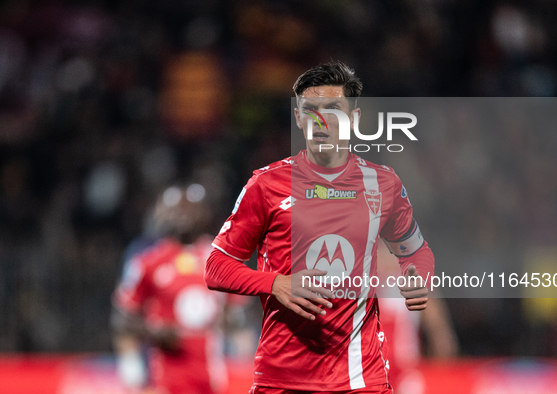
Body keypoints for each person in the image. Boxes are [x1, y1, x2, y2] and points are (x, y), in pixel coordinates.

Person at [205, 62, 435, 394]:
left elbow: (415, 249)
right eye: (309, 110)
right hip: (282, 378)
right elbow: (216, 267)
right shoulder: (266, 184)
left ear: (354, 120)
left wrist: (418, 275)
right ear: (298, 118)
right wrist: (276, 284)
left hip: (360, 377)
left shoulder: (382, 184)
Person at [111, 184, 229, 394]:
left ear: (205, 212)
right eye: (177, 208)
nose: (184, 215)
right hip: (166, 380)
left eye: (190, 207)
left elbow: (237, 314)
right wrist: (153, 333)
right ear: (164, 213)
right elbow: (122, 318)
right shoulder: (147, 262)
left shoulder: (221, 259)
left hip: (213, 378)